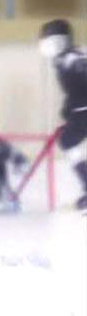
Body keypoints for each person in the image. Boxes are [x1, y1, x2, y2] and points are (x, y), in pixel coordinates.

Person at [39, 19, 87, 210]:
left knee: (68, 141)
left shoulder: (72, 59)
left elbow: (80, 87)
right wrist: (69, 111)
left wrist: (71, 110)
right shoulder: (67, 58)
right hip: (81, 110)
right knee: (68, 141)